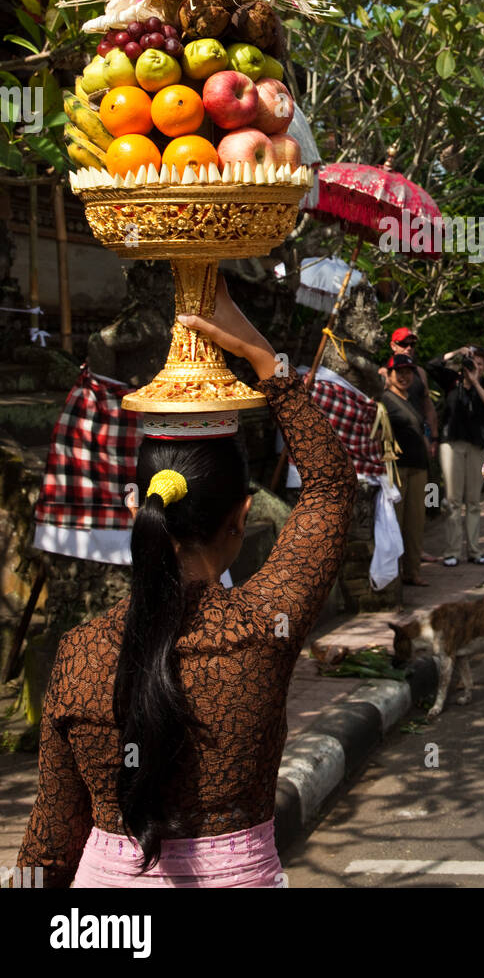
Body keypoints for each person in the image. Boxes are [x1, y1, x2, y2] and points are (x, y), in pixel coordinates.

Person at [16, 278, 356, 888]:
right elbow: (331, 488)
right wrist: (263, 359)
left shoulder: (79, 654)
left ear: (138, 510)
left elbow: (50, 841)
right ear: (242, 518)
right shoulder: (262, 631)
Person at [430, 345, 484, 567]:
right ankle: (452, 551)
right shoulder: (452, 381)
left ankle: (475, 551)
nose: (473, 367)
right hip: (452, 443)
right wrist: (457, 352)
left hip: (476, 445)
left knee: (473, 501)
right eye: (471, 363)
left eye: (478, 363)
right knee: (453, 500)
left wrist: (476, 381)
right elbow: (432, 365)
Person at [382, 355, 429, 587]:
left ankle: (413, 571)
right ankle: (395, 573)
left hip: (419, 466)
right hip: (396, 468)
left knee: (416, 522)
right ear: (388, 374)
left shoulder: (413, 399)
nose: (403, 376)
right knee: (395, 522)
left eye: (408, 371)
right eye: (398, 372)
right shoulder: (383, 400)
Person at [380, 326, 439, 460]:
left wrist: (434, 438)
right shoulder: (384, 372)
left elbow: (428, 406)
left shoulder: (420, 372)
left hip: (419, 438)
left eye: (412, 344)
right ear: (393, 346)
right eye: (404, 344)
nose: (409, 348)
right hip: (394, 440)